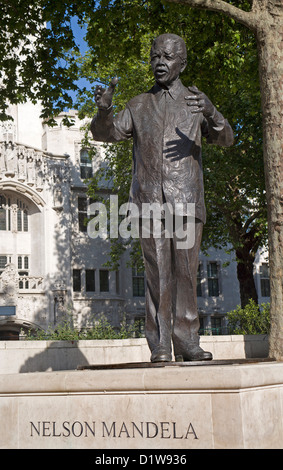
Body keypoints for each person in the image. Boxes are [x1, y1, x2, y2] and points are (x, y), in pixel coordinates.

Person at [91, 33, 234, 362]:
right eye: (156, 56)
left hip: (186, 199)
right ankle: (159, 344)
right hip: (148, 201)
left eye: (167, 57)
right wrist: (103, 112)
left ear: (181, 63)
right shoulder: (138, 104)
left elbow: (225, 139)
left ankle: (188, 341)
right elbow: (107, 133)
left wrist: (213, 112)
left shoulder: (197, 102)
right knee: (156, 274)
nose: (160, 62)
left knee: (186, 271)